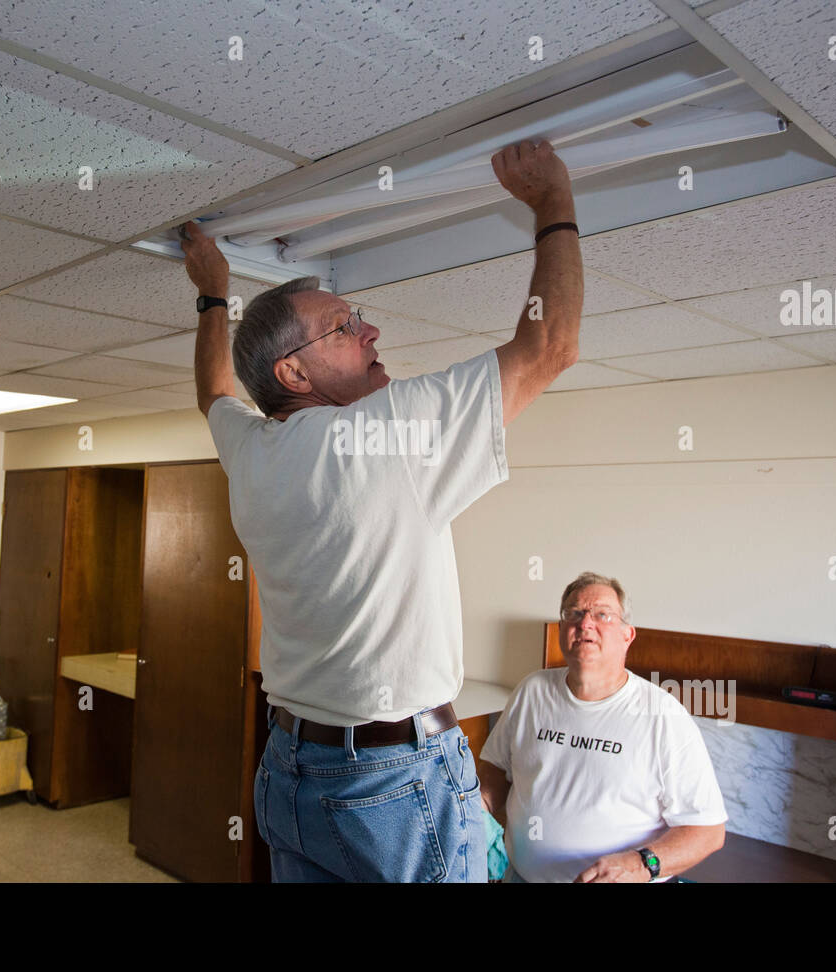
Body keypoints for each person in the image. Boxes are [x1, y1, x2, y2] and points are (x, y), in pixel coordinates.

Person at [181, 139, 583, 882]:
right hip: (391, 787)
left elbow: (212, 392)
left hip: (292, 773)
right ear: (293, 371)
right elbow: (551, 345)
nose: (371, 331)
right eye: (344, 327)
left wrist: (213, 293)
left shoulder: (252, 451)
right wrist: (553, 200)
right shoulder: (384, 431)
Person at [478, 573, 727, 882]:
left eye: (602, 615)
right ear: (561, 629)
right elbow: (496, 768)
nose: (585, 623)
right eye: (574, 613)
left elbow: (708, 831)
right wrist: (480, 808)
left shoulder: (663, 716)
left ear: (628, 635)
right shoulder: (532, 690)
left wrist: (640, 864)